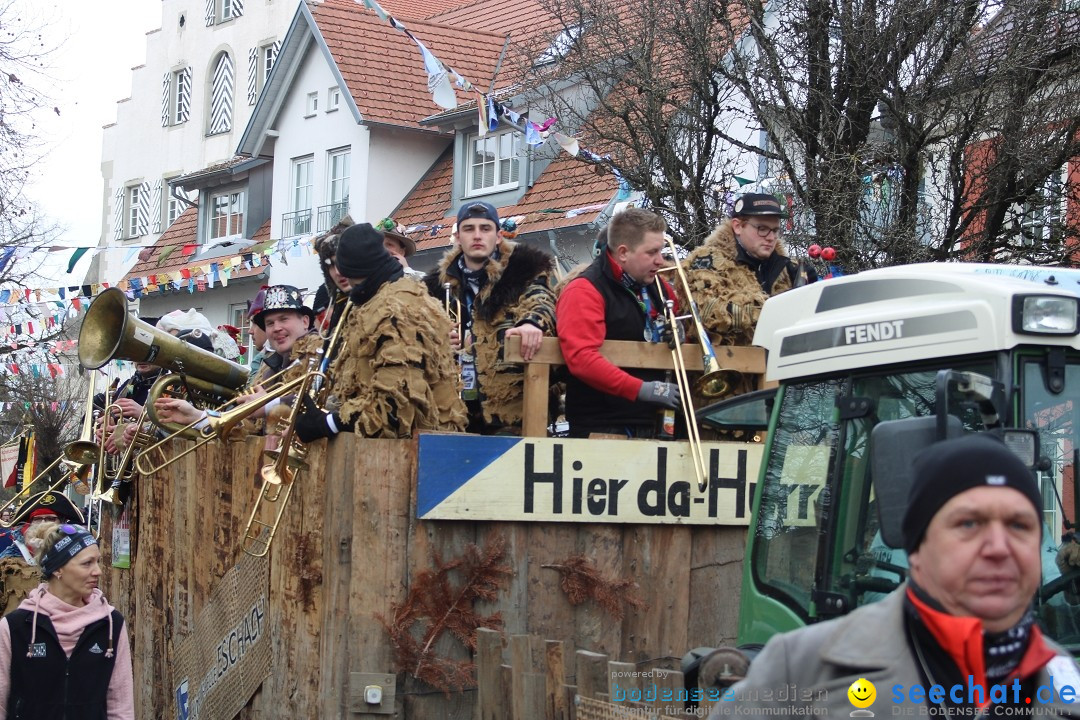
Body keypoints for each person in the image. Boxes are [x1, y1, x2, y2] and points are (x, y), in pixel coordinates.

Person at [719, 434, 1077, 716]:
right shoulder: (800, 672)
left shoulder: (1066, 683)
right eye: (969, 523)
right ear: (916, 551)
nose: (999, 546)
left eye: (1020, 525)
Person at [295, 223, 467, 441]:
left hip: (418, 451)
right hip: (402, 449)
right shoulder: (383, 299)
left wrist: (327, 424)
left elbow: (395, 407)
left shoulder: (394, 308)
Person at [422, 201, 556, 434]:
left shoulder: (525, 270)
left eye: (485, 229)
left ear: (498, 236)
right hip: (453, 413)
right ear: (458, 237)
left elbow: (541, 299)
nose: (477, 235)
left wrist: (531, 323)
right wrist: (435, 338)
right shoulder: (433, 288)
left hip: (512, 412)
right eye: (469, 229)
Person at [556, 208, 682, 439]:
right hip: (603, 427)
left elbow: (687, 333)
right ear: (623, 252)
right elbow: (582, 358)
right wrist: (640, 390)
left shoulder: (660, 288)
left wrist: (683, 334)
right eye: (652, 252)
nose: (660, 261)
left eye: (661, 251)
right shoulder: (584, 290)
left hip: (659, 422)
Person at [0, 522, 134, 719]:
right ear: (58, 569)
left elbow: (121, 705)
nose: (97, 571)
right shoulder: (15, 627)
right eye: (87, 563)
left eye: (97, 561)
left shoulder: (111, 624)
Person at [152, 285, 315, 429]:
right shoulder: (269, 369)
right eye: (270, 323)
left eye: (284, 319)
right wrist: (197, 417)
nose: (277, 328)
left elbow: (324, 404)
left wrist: (269, 405)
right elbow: (244, 426)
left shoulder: (322, 355)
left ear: (305, 321)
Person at [682, 192, 814, 348]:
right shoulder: (706, 260)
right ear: (738, 226)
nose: (771, 237)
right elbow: (710, 313)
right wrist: (777, 310)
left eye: (775, 230)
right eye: (762, 229)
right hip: (729, 364)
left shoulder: (789, 268)